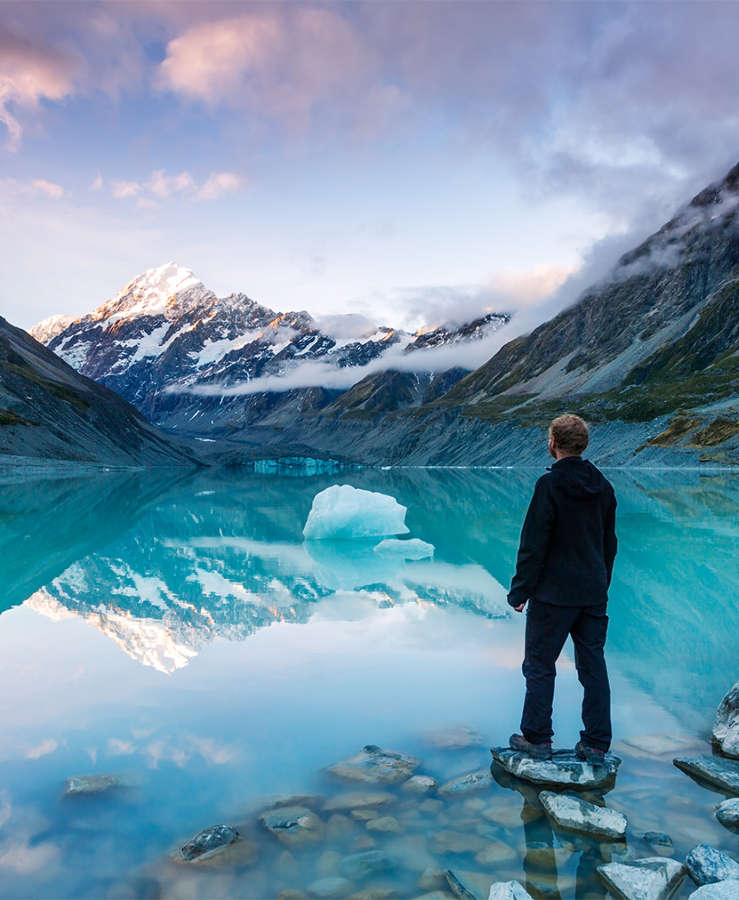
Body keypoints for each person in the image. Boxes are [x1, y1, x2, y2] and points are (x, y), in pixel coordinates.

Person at [507, 413, 617, 763]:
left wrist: (520, 591)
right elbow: (609, 543)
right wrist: (601, 582)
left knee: (540, 665)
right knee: (593, 666)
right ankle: (597, 743)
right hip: (592, 592)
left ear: (553, 443)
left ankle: (537, 738)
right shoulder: (603, 486)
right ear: (582, 444)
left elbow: (533, 543)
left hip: (553, 595)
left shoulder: (549, 486)